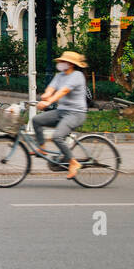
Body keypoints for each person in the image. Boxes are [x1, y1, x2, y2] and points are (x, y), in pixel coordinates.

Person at [33, 50, 89, 178]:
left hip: (76, 113)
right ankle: (41, 147)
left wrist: (48, 103)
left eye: (63, 61)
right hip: (61, 111)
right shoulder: (60, 76)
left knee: (57, 136)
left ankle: (73, 162)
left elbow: (63, 91)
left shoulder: (77, 76)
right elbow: (51, 88)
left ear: (71, 64)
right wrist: (46, 96)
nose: (60, 63)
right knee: (36, 120)